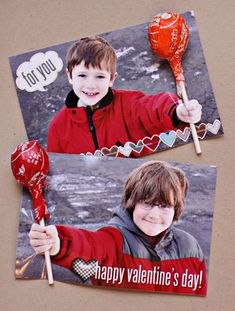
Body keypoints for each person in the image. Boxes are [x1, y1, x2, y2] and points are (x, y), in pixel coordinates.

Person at [29, 161, 207, 295]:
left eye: (164, 206)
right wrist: (58, 242)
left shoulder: (190, 246)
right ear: (131, 203)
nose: (154, 214)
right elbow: (90, 246)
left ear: (176, 208)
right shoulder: (114, 241)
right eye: (147, 203)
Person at [47, 36, 202, 156]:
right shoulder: (58, 126)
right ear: (70, 76)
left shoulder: (128, 104)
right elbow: (56, 169)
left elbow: (152, 107)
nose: (91, 85)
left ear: (112, 79)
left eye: (100, 77)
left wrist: (178, 111)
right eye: (82, 75)